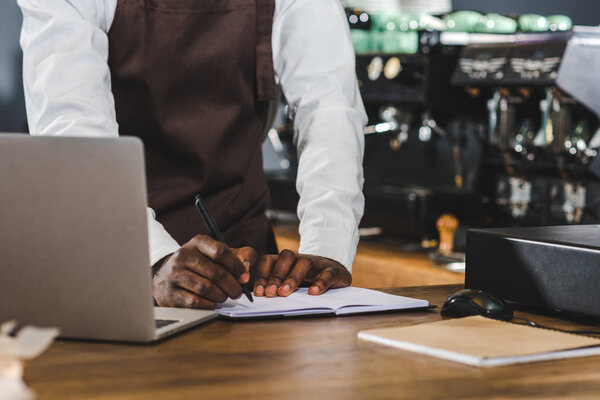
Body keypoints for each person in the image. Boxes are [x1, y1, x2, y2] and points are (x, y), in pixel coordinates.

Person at [18, 0, 366, 309]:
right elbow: (73, 132)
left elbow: (329, 107)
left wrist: (327, 244)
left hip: (243, 268)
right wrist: (153, 260)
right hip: (107, 260)